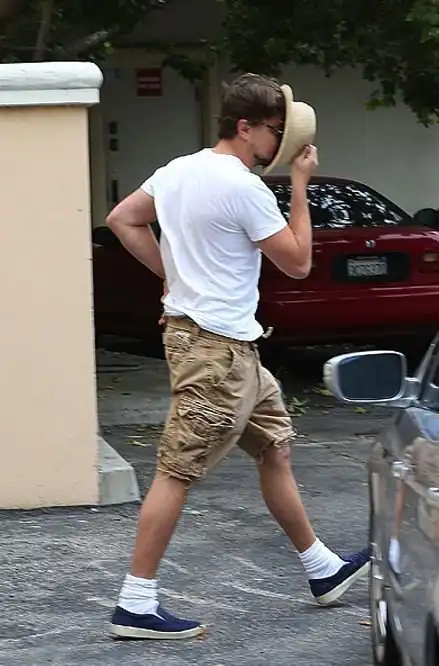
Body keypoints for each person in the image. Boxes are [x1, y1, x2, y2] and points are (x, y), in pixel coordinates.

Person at [106, 72, 370, 640]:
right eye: (276, 131)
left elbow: (122, 219)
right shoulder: (245, 188)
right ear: (245, 127)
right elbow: (297, 262)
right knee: (176, 470)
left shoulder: (177, 171)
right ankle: (135, 602)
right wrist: (299, 185)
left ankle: (321, 568)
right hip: (216, 354)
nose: (281, 145)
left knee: (275, 446)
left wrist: (170, 276)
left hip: (226, 346)